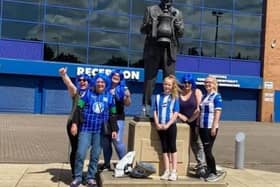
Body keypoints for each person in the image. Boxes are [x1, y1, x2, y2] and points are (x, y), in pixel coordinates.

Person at [70, 73, 118, 187]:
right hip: (86, 129)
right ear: (95, 82)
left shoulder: (110, 97)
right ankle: (78, 177)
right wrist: (75, 124)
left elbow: (113, 114)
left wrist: (114, 129)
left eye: (102, 82)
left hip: (100, 131)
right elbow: (78, 108)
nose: (100, 84)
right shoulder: (87, 94)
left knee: (95, 155)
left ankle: (90, 177)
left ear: (105, 84)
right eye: (98, 82)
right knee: (80, 153)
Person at [140, 0, 184, 116]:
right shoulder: (151, 10)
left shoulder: (177, 13)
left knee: (170, 80)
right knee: (150, 80)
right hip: (153, 49)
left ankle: (172, 106)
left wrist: (177, 25)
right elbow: (142, 29)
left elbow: (181, 33)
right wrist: (152, 24)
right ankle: (146, 107)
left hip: (169, 51)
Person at [59, 67, 91, 179]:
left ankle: (82, 172)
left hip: (87, 126)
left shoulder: (92, 94)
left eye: (85, 80)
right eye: (80, 80)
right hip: (73, 124)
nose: (82, 82)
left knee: (83, 150)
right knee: (76, 149)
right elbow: (69, 84)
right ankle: (75, 173)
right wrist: (64, 75)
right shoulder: (76, 92)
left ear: (89, 82)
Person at [101, 70, 131, 171]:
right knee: (105, 142)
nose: (116, 77)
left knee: (117, 140)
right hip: (105, 117)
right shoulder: (105, 87)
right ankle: (106, 164)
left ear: (120, 78)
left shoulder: (123, 88)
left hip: (118, 117)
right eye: (114, 75)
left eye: (118, 76)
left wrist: (127, 96)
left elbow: (128, 104)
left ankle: (126, 165)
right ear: (111, 76)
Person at [177, 73, 206, 177]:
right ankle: (179, 165)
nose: (187, 84)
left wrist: (190, 120)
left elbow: (199, 109)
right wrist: (180, 116)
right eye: (185, 82)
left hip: (195, 122)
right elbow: (174, 108)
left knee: (197, 144)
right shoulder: (179, 93)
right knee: (181, 144)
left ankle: (201, 166)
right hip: (181, 123)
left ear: (192, 83)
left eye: (189, 82)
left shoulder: (196, 92)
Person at [153, 75, 180, 181]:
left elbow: (176, 113)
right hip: (160, 126)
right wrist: (157, 124)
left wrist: (168, 124)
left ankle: (174, 171)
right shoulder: (158, 96)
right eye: (165, 84)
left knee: (172, 148)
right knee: (164, 148)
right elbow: (155, 111)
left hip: (171, 126)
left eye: (169, 84)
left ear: (172, 86)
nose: (166, 86)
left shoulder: (174, 97)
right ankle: (167, 170)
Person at [199, 76, 222, 182]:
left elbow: (218, 112)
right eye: (206, 82)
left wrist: (214, 126)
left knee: (208, 150)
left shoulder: (216, 96)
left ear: (214, 84)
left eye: (210, 82)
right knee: (205, 149)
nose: (207, 84)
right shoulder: (204, 96)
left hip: (210, 127)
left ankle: (213, 172)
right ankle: (209, 170)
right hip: (202, 126)